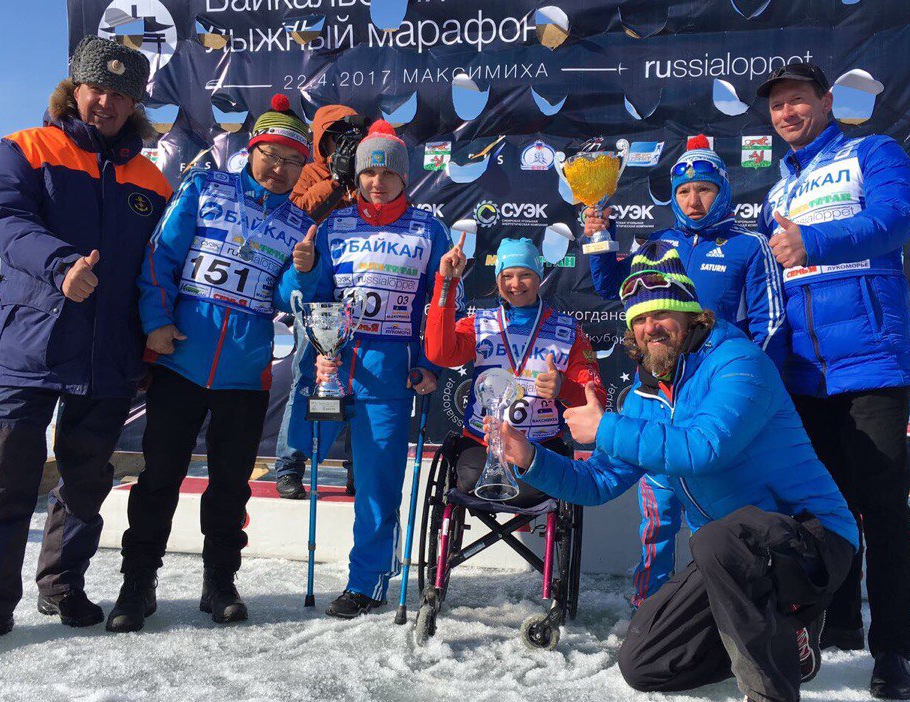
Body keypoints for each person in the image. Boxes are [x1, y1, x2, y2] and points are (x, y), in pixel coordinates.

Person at [488, 242, 857, 702]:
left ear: (691, 316)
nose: (651, 327)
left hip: (811, 539)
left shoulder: (738, 361)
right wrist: (530, 458)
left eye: (663, 313)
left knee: (718, 538)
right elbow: (598, 482)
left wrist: (605, 428)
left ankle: (767, 701)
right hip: (734, 558)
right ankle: (785, 637)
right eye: (640, 319)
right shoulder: (644, 398)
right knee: (645, 663)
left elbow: (705, 448)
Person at [0, 37, 170, 653]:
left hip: (110, 355)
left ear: (136, 103)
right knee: (6, 477)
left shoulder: (152, 181)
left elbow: (157, 268)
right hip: (29, 346)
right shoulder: (25, 148)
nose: (106, 102)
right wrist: (61, 265)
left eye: (121, 94)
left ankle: (62, 585)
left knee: (86, 480)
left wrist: (149, 346)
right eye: (97, 89)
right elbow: (2, 219)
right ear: (74, 90)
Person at [104, 94, 314, 632]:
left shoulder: (300, 224)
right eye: (272, 155)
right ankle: (137, 583)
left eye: (294, 161)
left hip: (245, 373)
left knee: (230, 484)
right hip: (181, 360)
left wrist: (302, 272)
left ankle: (220, 581)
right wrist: (156, 321)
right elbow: (160, 257)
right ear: (253, 149)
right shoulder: (205, 187)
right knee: (160, 478)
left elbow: (286, 297)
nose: (281, 169)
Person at [756, 62, 910, 699]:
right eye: (777, 105)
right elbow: (773, 290)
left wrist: (816, 242)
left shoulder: (873, 153)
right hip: (804, 372)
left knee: (882, 509)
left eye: (798, 100)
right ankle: (842, 623)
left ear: (827, 102)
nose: (787, 113)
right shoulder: (776, 193)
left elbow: (897, 219)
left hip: (871, 360)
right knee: (825, 509)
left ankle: (893, 650)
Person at [586, 135, 786, 607]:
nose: (694, 201)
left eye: (704, 189)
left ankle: (720, 609)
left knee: (716, 516)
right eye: (683, 191)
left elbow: (770, 326)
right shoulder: (658, 244)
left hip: (716, 399)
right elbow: (610, 285)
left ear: (724, 191)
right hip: (660, 395)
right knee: (658, 512)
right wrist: (599, 234)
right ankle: (649, 609)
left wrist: (746, 389)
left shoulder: (749, 246)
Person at [279, 119, 448, 619]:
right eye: (369, 172)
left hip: (390, 376)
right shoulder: (333, 226)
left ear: (404, 178)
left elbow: (441, 305)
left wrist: (429, 364)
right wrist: (303, 270)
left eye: (388, 172)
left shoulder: (427, 230)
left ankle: (366, 581)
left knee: (377, 485)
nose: (377, 181)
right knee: (310, 452)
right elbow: (305, 300)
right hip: (333, 368)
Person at [423, 236, 604, 502]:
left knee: (538, 485)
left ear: (539, 278)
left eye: (525, 275)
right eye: (507, 276)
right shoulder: (480, 324)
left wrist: (563, 388)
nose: (515, 284)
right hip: (483, 443)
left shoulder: (568, 331)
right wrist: (447, 283)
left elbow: (595, 399)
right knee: (471, 479)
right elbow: (439, 353)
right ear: (497, 279)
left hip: (540, 447)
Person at [275, 104, 368, 501]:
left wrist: (355, 176)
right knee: (306, 376)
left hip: (357, 291)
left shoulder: (369, 175)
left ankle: (357, 467)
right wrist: (334, 179)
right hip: (317, 290)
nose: (345, 144)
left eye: (352, 137)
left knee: (360, 380)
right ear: (322, 139)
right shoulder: (310, 172)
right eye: (337, 136)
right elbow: (295, 216)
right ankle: (290, 465)